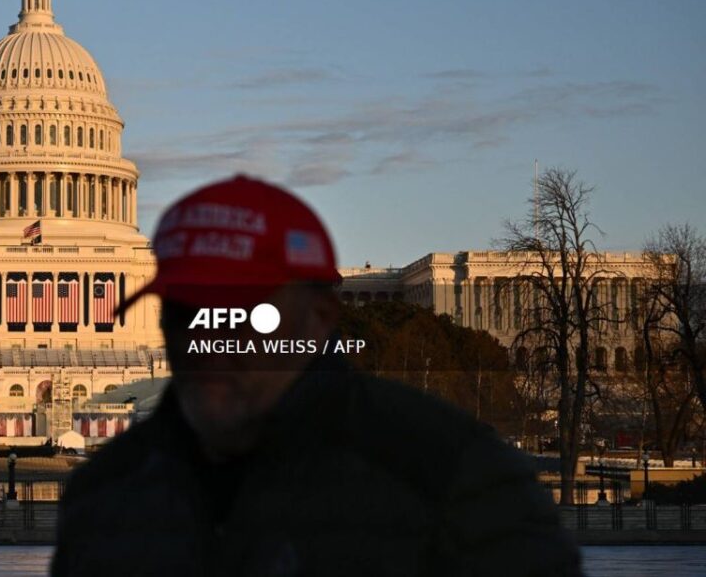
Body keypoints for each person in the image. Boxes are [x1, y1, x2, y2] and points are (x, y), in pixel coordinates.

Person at [51, 174, 582, 576]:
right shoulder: (105, 491)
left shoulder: (455, 470)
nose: (209, 336)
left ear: (320, 318)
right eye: (185, 310)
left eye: (245, 309)